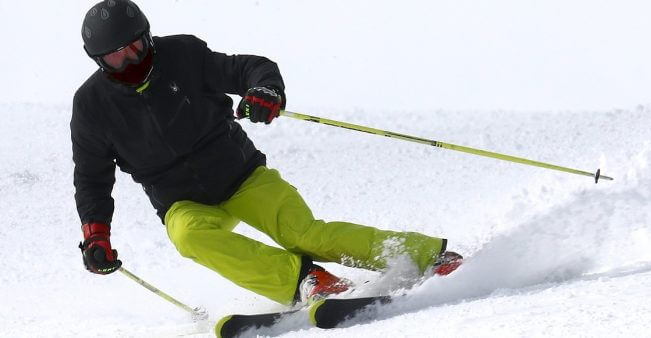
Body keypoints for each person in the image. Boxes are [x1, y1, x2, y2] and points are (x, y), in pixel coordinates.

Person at [74, 0, 462, 306]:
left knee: (305, 234)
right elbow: (92, 177)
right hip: (181, 201)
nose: (130, 59)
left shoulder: (183, 54)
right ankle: (306, 280)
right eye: (116, 55)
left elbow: (251, 68)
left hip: (242, 176)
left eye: (135, 46)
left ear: (148, 37)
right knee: (189, 237)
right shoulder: (92, 106)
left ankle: (425, 255)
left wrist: (265, 90)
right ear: (99, 60)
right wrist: (96, 236)